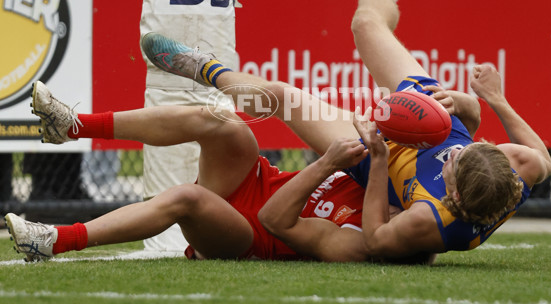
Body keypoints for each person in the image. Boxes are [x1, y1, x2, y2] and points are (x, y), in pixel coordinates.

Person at [139, 0, 551, 259]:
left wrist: (376, 160)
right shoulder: (516, 169)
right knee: (365, 26)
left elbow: (374, 238)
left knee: (280, 98)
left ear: (455, 195)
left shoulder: (429, 222)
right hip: (430, 118)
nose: (455, 154)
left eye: (454, 164)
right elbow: (533, 154)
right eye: (466, 151)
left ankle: (205, 69)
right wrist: (481, 101)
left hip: (379, 157)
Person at [5, 81, 374, 263]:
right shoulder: (384, 168)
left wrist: (327, 162)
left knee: (187, 198)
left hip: (252, 235)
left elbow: (273, 218)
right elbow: (280, 98)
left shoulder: (376, 233)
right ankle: (73, 126)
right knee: (219, 121)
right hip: (256, 181)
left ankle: (53, 240)